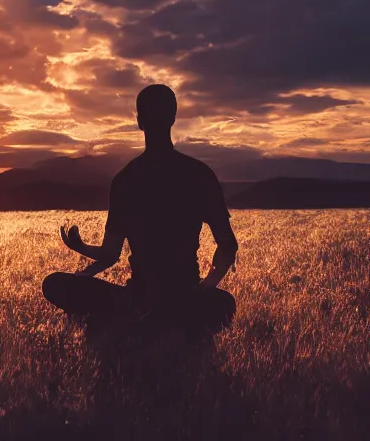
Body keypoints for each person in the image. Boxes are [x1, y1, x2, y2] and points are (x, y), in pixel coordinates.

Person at [42, 84, 239, 333]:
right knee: (224, 303)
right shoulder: (200, 174)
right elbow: (228, 245)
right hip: (186, 298)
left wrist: (82, 260)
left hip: (139, 298)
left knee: (54, 284)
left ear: (139, 121)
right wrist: (206, 286)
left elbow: (110, 255)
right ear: (173, 118)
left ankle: (129, 320)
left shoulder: (126, 179)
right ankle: (175, 320)